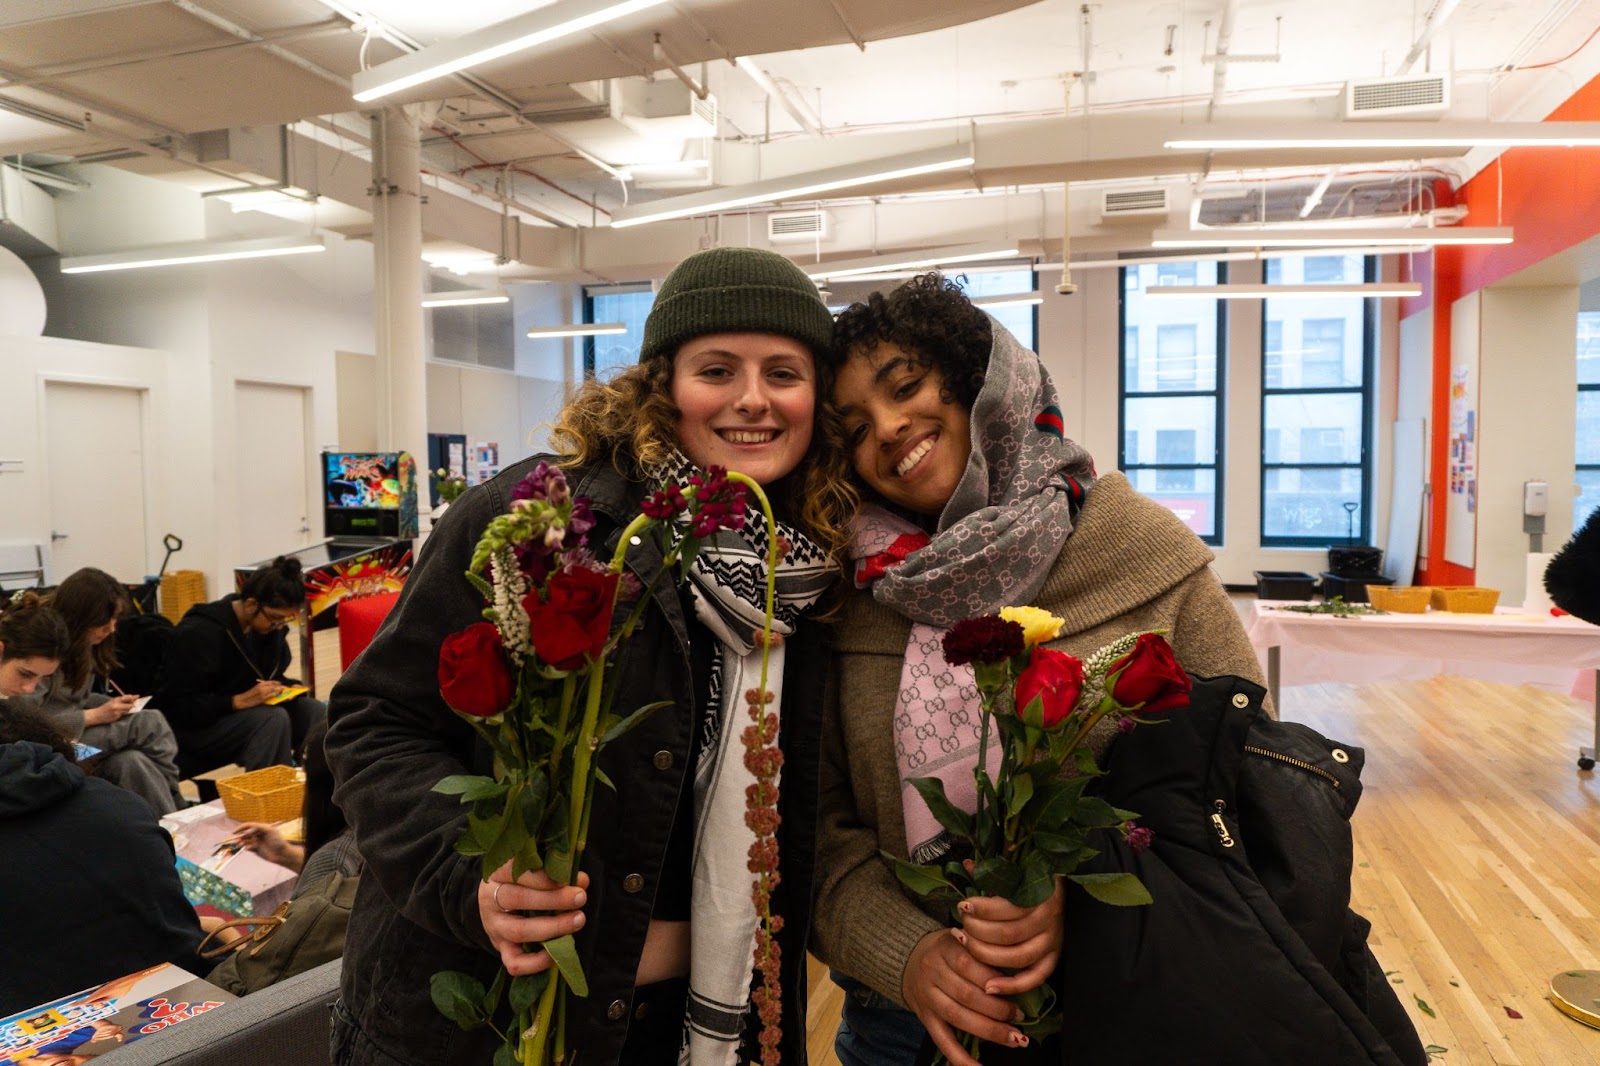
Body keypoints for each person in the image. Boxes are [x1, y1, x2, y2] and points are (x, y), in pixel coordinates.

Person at [325, 246, 856, 1066]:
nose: (753, 399)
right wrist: (469, 875)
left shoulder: (816, 572)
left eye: (783, 372)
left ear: (817, 397)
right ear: (661, 387)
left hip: (697, 1022)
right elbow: (374, 720)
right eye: (716, 370)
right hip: (485, 1018)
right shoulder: (542, 519)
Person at [809, 273, 1270, 1066]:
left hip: (1126, 1006)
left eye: (907, 385)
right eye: (851, 427)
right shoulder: (852, 595)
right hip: (899, 1030)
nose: (886, 429)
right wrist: (909, 956)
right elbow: (818, 832)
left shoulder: (1137, 550)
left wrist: (1086, 892)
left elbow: (1248, 794)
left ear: (975, 382)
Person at [0, 598, 216, 1015]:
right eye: (25, 676)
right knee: (139, 748)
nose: (29, 690)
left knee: (136, 753)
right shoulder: (121, 808)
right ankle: (175, 810)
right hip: (186, 1006)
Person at [7, 567, 186, 814]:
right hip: (54, 739)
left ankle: (165, 826)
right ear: (82, 616)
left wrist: (112, 705)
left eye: (115, 620)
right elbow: (29, 722)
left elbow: (73, 698)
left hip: (70, 732)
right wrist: (94, 716)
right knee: (149, 722)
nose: (112, 629)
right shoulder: (43, 646)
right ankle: (177, 800)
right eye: (105, 621)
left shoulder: (80, 646)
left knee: (132, 762)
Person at [155, 556, 326, 774]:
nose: (279, 627)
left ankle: (315, 790)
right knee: (272, 720)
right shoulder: (198, 633)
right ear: (251, 604)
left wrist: (286, 688)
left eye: (285, 621)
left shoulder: (266, 631)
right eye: (275, 618)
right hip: (195, 727)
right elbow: (177, 706)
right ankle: (270, 797)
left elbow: (260, 674)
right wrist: (237, 701)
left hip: (242, 715)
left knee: (314, 711)